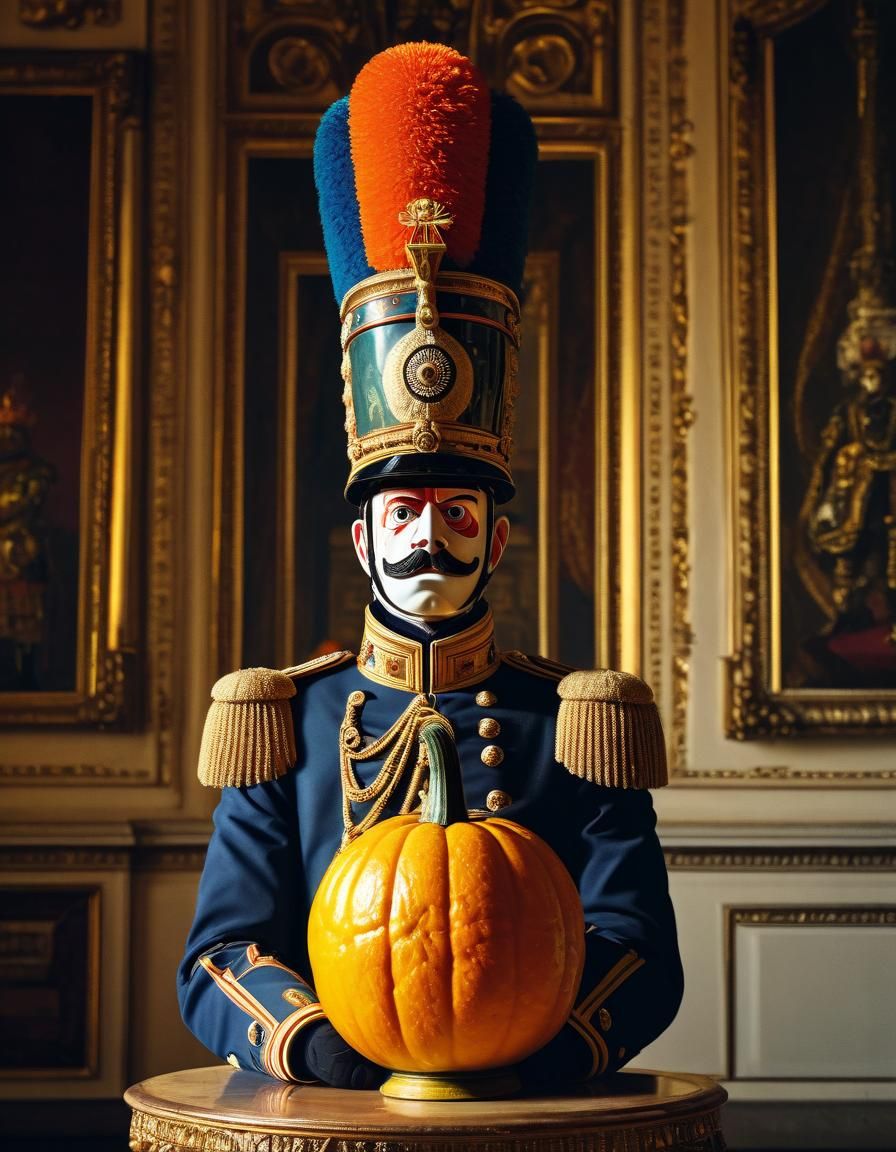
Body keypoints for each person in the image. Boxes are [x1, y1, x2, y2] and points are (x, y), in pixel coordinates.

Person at [178, 41, 683, 1091]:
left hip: (525, 1096)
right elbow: (220, 956)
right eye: (401, 510)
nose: (426, 535)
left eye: (456, 511)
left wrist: (516, 1049)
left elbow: (636, 946)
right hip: (336, 1097)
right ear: (361, 539)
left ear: (495, 540)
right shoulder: (286, 720)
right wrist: (329, 1046)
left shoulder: (572, 719)